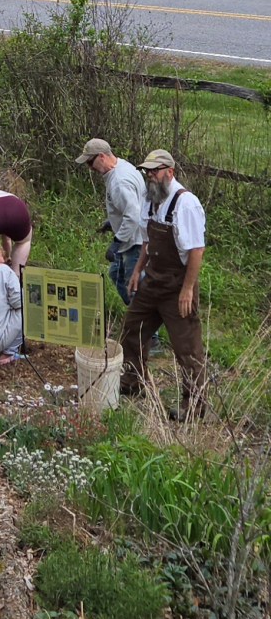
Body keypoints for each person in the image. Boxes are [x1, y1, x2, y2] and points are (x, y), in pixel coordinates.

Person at [119, 150, 208, 419]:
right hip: (153, 280)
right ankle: (133, 382)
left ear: (170, 171)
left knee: (186, 346)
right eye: (147, 171)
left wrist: (187, 289)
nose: (150, 176)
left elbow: (196, 250)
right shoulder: (151, 200)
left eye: (155, 171)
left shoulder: (186, 204)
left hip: (177, 285)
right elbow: (147, 242)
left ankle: (194, 405)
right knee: (132, 329)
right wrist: (138, 271)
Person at [75, 138, 146, 306]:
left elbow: (133, 216)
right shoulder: (123, 167)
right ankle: (138, 314)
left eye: (90, 162)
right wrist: (112, 222)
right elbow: (132, 204)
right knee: (116, 274)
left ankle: (144, 321)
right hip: (135, 236)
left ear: (101, 156)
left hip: (134, 241)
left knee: (134, 286)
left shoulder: (119, 182)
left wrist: (116, 242)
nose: (90, 168)